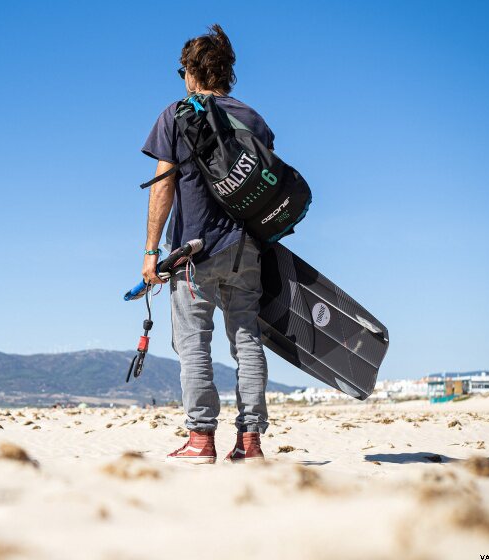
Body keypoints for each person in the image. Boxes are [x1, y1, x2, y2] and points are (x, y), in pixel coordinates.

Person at [141, 24, 274, 464]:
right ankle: (250, 442)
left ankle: (200, 439)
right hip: (246, 248)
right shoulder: (253, 119)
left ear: (192, 72)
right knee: (247, 341)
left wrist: (151, 252)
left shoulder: (177, 114)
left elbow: (163, 186)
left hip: (193, 251)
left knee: (194, 343)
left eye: (182, 70)